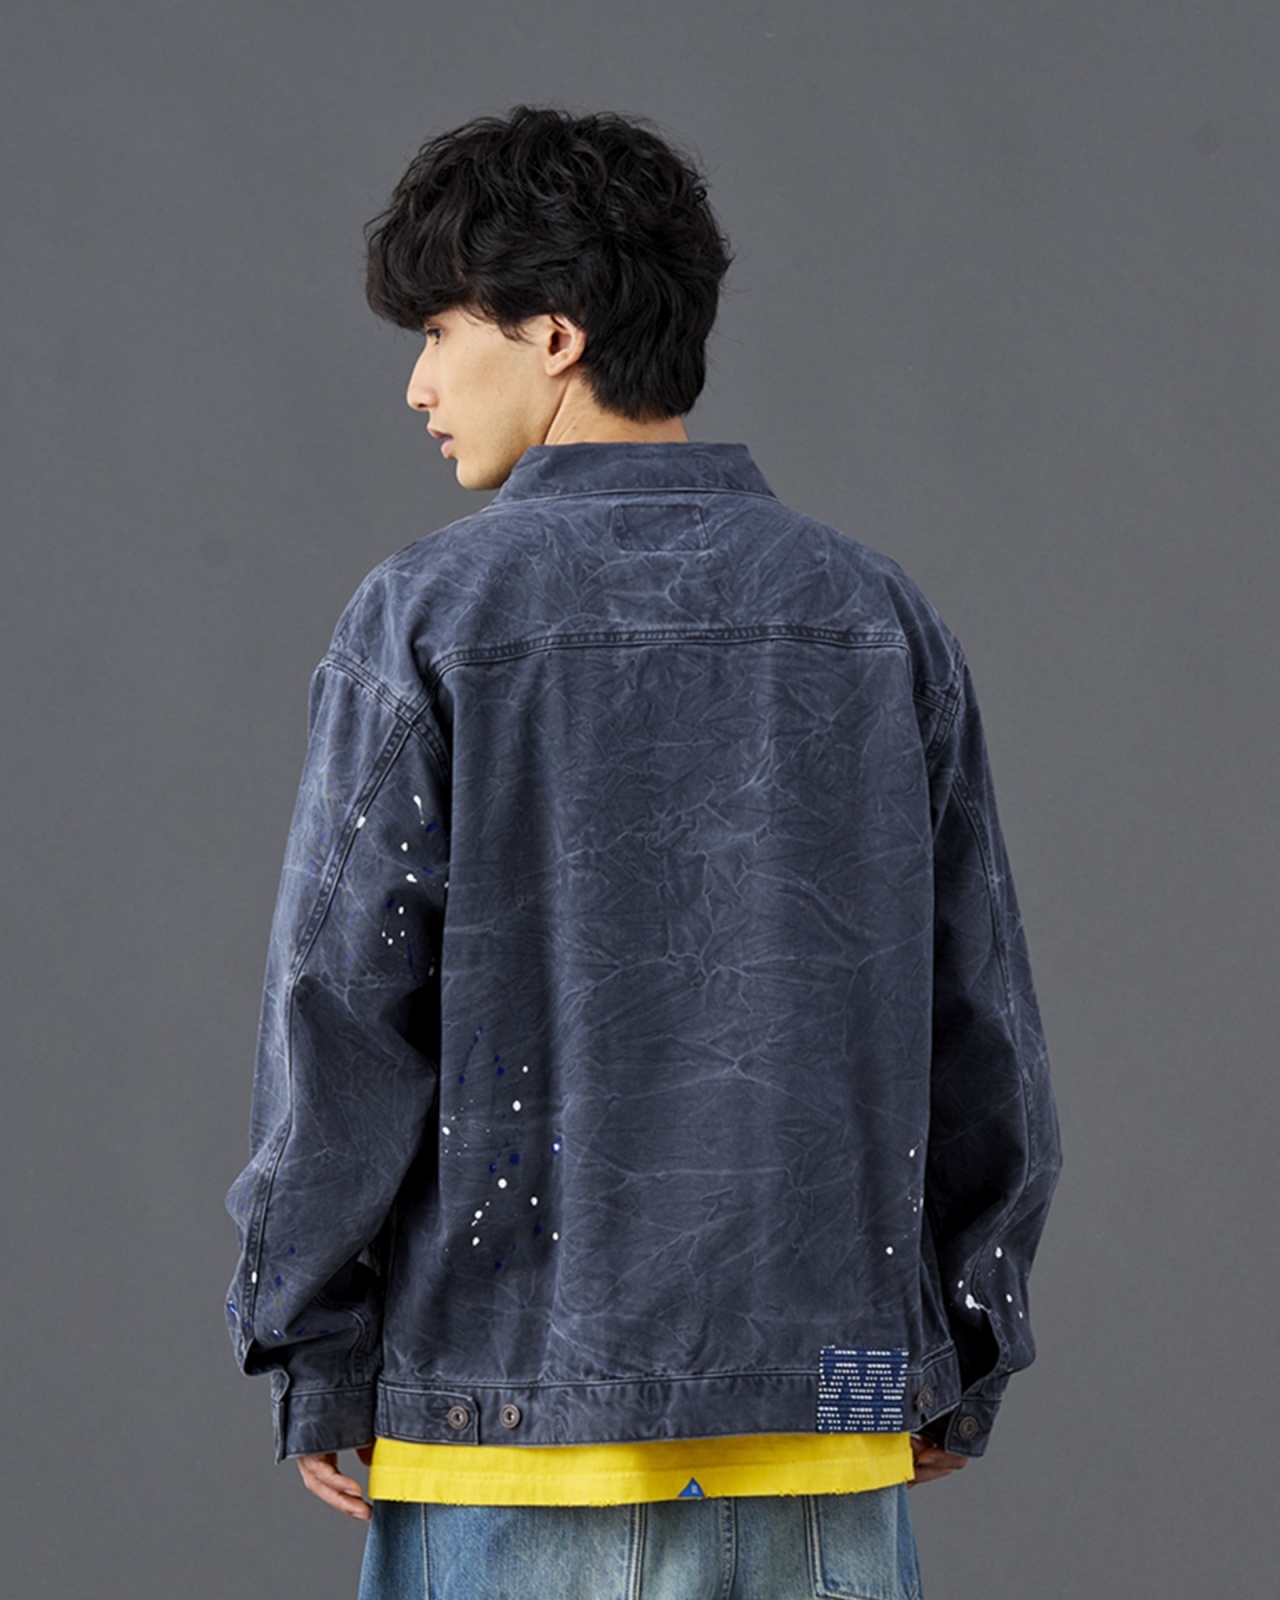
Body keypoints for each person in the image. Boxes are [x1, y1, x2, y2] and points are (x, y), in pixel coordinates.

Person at [226, 106, 1061, 1600]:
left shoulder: (429, 617)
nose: (419, 383)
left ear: (554, 335)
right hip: (829, 1429)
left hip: (513, 1441)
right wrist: (958, 1341)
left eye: (440, 331)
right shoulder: (877, 616)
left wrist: (313, 1346)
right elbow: (977, 1015)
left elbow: (340, 1014)